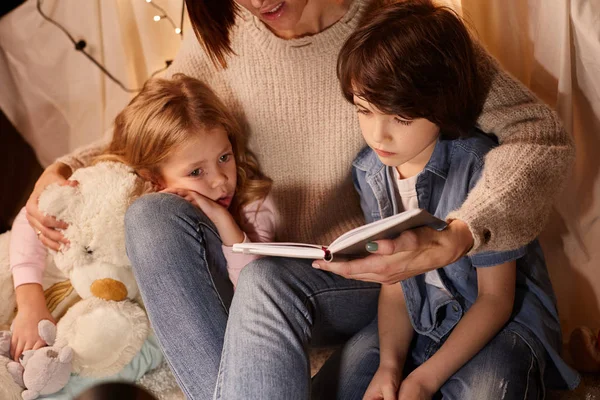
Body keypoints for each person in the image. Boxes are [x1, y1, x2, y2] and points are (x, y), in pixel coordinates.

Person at [22, 0, 573, 397]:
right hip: (254, 263)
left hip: (363, 279)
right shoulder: (223, 26)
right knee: (152, 215)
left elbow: (538, 134)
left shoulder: (401, 31)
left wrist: (462, 231)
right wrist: (67, 166)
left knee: (266, 279)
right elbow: (157, 125)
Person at [212, 2, 580, 398]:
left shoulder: (482, 168)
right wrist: (389, 366)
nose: (379, 136)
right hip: (417, 316)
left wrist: (423, 379)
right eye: (365, 111)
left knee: (490, 388)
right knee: (344, 386)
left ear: (444, 105)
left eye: (401, 119)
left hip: (497, 321)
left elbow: (495, 300)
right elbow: (396, 285)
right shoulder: (370, 171)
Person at [8, 74, 275, 362]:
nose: (221, 181)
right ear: (155, 179)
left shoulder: (254, 205)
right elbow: (31, 218)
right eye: (196, 172)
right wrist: (30, 303)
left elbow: (253, 295)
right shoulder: (125, 189)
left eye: (224, 157)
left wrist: (223, 220)